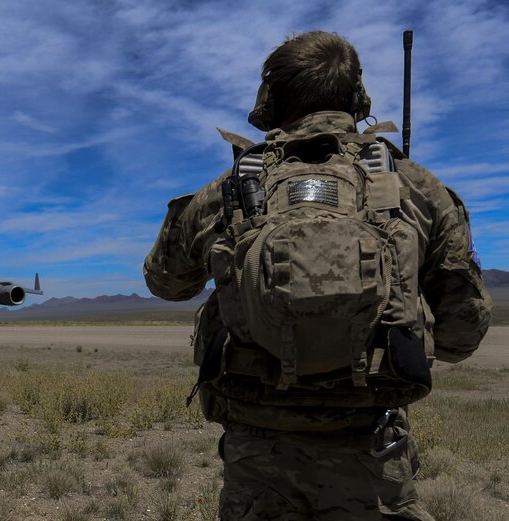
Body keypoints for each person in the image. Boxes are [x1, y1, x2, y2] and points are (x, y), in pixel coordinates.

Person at [143, 31, 492, 521]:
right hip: (374, 457)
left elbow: (165, 282)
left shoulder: (228, 191)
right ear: (357, 100)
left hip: (257, 462)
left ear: (270, 100)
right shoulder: (417, 188)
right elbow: (462, 335)